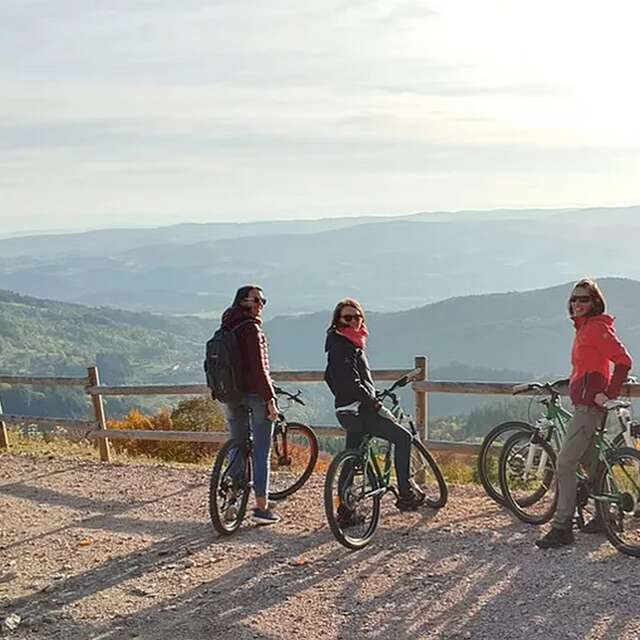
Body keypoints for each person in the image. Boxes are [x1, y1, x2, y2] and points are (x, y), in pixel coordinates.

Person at [536, 278, 632, 549]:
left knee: (565, 463)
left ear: (595, 303)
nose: (577, 303)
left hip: (590, 407)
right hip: (586, 402)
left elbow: (623, 361)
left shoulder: (595, 329)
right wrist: (571, 383)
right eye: (574, 299)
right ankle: (606, 517)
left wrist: (608, 395)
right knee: (591, 460)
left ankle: (562, 526)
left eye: (583, 299)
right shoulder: (585, 328)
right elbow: (588, 368)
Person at [324, 297, 424, 521]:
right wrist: (374, 403)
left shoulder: (340, 344)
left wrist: (344, 398)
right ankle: (406, 495)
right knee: (403, 438)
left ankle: (346, 512)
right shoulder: (344, 346)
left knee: (352, 457)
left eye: (357, 317)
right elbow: (353, 382)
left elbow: (329, 378)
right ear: (338, 320)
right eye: (347, 317)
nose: (353, 321)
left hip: (346, 411)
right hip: (362, 410)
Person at [219, 285, 280, 525]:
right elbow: (259, 370)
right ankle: (261, 508)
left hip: (230, 395)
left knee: (236, 447)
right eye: (257, 300)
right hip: (254, 395)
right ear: (243, 302)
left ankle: (232, 499)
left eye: (263, 300)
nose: (261, 304)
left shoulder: (227, 324)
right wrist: (270, 399)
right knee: (261, 451)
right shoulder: (251, 329)